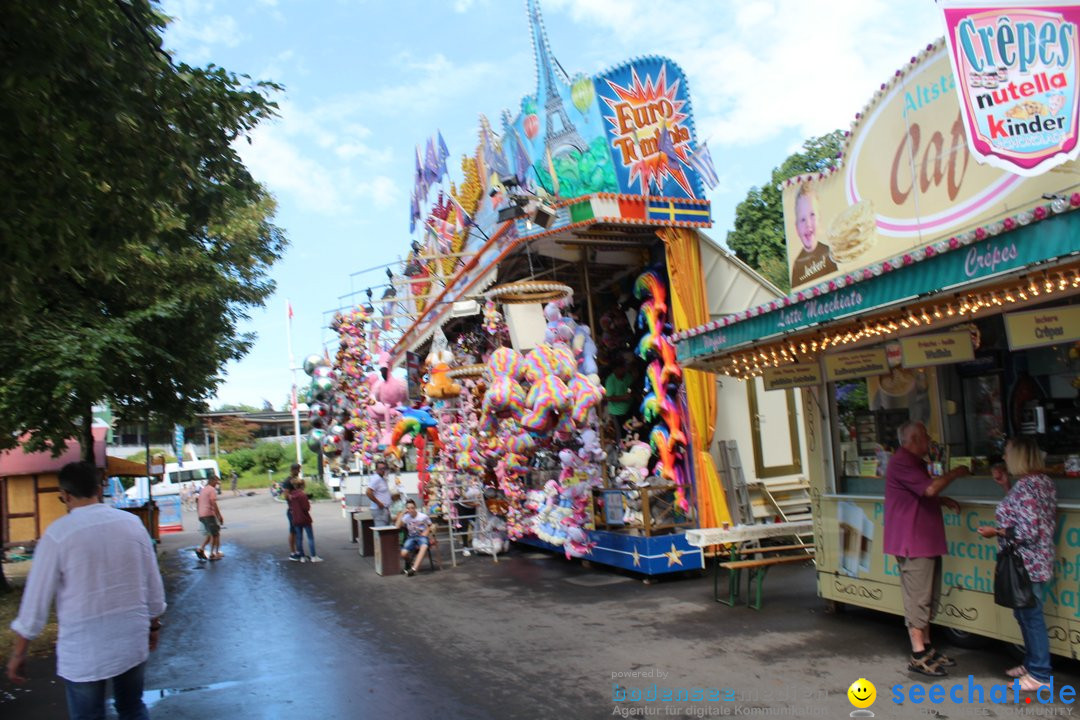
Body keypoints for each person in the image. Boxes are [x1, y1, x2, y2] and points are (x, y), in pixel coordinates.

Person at [6, 461, 166, 720]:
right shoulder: (132, 524)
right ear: (99, 489)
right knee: (132, 708)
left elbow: (35, 602)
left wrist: (19, 652)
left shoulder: (58, 534)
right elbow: (152, 580)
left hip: (84, 651)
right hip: (130, 639)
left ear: (65, 495)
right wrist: (154, 623)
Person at [883, 420, 970, 677]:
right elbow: (929, 489)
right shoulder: (902, 461)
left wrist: (942, 500)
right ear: (912, 440)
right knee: (918, 599)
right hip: (913, 542)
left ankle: (928, 648)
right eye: (925, 435)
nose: (929, 439)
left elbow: (920, 494)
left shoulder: (913, 462)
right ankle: (918, 654)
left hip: (925, 540)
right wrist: (955, 473)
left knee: (928, 598)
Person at [976, 437, 1056, 691]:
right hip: (1037, 561)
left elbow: (1027, 531)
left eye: (1008, 453)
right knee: (1024, 614)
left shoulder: (1027, 487)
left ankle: (1040, 674)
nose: (1005, 458)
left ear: (1020, 456)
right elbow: (1023, 513)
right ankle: (1032, 664)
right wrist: (1006, 486)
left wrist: (996, 532)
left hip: (1026, 563)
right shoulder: (1042, 483)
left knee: (1030, 617)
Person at [790, 184, 837, 286]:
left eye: (812, 215)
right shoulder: (797, 265)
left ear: (819, 219)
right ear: (796, 228)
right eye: (802, 219)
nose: (808, 224)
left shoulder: (828, 252)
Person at [287, 478, 322, 563]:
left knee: (299, 538)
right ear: (302, 486)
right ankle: (313, 556)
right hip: (305, 519)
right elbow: (307, 508)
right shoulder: (303, 495)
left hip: (296, 519)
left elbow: (291, 507)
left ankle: (302, 557)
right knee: (310, 538)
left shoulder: (291, 496)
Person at [396, 499, 432, 576]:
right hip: (411, 537)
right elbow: (397, 526)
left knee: (424, 546)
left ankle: (414, 569)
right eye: (409, 508)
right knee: (403, 553)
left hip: (421, 536)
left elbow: (430, 525)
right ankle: (410, 563)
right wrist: (402, 513)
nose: (411, 510)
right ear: (407, 509)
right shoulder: (406, 517)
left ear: (415, 507)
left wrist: (427, 531)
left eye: (412, 508)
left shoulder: (423, 516)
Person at [603, 361, 633, 445]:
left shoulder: (627, 376)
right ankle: (620, 449)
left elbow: (631, 385)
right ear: (615, 370)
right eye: (621, 369)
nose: (624, 371)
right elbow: (608, 398)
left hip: (628, 409)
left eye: (624, 369)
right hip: (616, 412)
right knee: (620, 433)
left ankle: (628, 445)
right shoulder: (610, 380)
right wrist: (623, 397)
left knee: (629, 429)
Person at [195, 475, 224, 561]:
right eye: (216, 482)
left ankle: (201, 549)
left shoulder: (203, 489)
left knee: (209, 534)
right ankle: (213, 554)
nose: (217, 484)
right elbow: (213, 503)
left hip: (202, 515)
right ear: (212, 481)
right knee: (215, 534)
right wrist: (219, 516)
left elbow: (198, 502)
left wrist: (199, 515)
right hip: (208, 514)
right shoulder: (211, 490)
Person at [366, 460, 394, 527]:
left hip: (384, 509)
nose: (383, 470)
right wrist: (379, 503)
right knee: (381, 529)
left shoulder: (382, 478)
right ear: (376, 470)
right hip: (379, 510)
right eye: (381, 469)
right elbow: (368, 492)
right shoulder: (376, 478)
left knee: (386, 530)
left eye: (384, 468)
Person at [282, 463, 301, 558]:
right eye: (298, 469)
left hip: (298, 509)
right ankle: (292, 552)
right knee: (293, 531)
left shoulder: (297, 480)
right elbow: (285, 495)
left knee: (297, 531)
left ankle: (298, 551)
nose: (299, 471)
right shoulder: (288, 481)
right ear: (294, 470)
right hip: (292, 510)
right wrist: (294, 497)